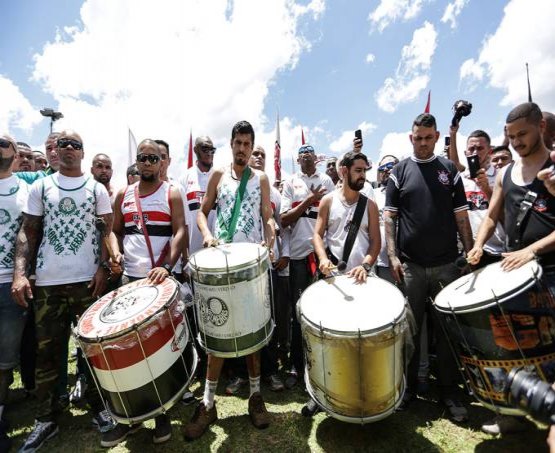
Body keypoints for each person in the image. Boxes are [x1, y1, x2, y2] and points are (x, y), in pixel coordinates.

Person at [12, 130, 116, 451]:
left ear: (83, 153)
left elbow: (106, 232)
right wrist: (20, 274)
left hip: (87, 283)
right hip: (47, 284)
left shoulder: (96, 189)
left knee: (93, 350)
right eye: (63, 145)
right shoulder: (42, 187)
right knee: (48, 354)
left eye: (75, 145)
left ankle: (99, 409)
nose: (68, 150)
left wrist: (101, 268)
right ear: (55, 151)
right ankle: (46, 419)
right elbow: (27, 234)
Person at [467, 102, 555, 435]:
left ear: (541, 128)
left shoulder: (553, 166)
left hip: (549, 269)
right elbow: (491, 215)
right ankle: (513, 415)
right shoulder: (505, 174)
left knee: (550, 345)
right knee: (513, 344)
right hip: (513, 271)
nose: (516, 142)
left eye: (523, 134)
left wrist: (531, 251)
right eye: (511, 136)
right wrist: (478, 244)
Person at [184, 121, 274, 440]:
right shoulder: (218, 176)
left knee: (250, 333)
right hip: (220, 264)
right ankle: (208, 404)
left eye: (248, 144)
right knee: (217, 333)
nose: (242, 148)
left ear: (252, 147)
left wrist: (271, 239)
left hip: (248, 265)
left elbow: (267, 216)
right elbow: (201, 212)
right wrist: (207, 235)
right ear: (231, 144)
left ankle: (254, 396)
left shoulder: (261, 178)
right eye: (237, 142)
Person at [384, 113, 474, 422]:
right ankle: (408, 391)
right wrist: (393, 256)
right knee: (410, 331)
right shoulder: (399, 172)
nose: (422, 143)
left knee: (447, 332)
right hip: (411, 267)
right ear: (411, 138)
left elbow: (462, 216)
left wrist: (471, 253)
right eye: (417, 138)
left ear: (436, 137)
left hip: (448, 265)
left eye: (427, 137)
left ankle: (449, 391)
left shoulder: (449, 171)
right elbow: (390, 218)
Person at [103, 139, 187, 447]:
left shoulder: (171, 193)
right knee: (130, 352)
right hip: (130, 282)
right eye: (143, 157)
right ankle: (131, 418)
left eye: (153, 158)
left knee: (158, 349)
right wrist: (114, 252)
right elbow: (114, 230)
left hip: (159, 284)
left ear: (161, 162)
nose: (148, 162)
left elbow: (180, 230)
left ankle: (162, 413)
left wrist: (166, 265)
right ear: (137, 162)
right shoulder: (123, 195)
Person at [280, 144, 335, 397]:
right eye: (301, 154)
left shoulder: (326, 180)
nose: (305, 156)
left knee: (323, 312)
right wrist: (309, 201)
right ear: (298, 159)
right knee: (298, 313)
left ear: (316, 158)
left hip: (323, 256)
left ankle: (321, 367)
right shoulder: (291, 182)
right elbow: (285, 219)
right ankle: (295, 366)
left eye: (309, 153)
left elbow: (334, 216)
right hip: (300, 258)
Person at [249, 145, 288, 392]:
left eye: (263, 154)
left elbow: (279, 224)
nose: (259, 157)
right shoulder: (235, 186)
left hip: (267, 264)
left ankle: (271, 371)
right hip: (243, 266)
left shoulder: (274, 193)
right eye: (256, 153)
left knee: (268, 319)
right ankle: (243, 374)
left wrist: (278, 251)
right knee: (245, 320)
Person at [0, 134, 30, 452]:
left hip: (9, 284)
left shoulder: (24, 190)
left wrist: (21, 275)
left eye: (2, 142)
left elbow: (28, 232)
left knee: (5, 361)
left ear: (15, 154)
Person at [314, 151, 380, 281]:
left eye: (364, 171)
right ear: (344, 171)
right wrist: (323, 258)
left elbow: (376, 242)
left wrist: (365, 266)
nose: (363, 176)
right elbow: (317, 235)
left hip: (362, 278)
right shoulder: (327, 201)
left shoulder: (370, 206)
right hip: (334, 277)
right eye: (358, 170)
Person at [448, 127, 506, 267]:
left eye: (480, 148)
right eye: (471, 149)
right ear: (465, 152)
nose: (475, 153)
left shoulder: (502, 176)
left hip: (499, 252)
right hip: (471, 252)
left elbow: (506, 216)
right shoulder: (458, 180)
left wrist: (486, 188)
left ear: (490, 151)